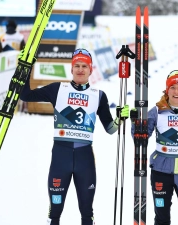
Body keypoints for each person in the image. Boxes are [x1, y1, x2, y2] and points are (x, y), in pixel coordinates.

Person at [19, 48, 129, 225]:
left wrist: (120, 119)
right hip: (60, 158)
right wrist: (25, 68)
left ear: (90, 70)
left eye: (84, 66)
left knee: (86, 212)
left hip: (84, 160)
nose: (80, 69)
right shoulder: (57, 89)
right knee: (55, 211)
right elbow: (26, 95)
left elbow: (110, 128)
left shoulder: (99, 96)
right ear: (71, 69)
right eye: (76, 65)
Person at [130, 70, 178, 225]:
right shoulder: (156, 111)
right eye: (173, 87)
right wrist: (136, 124)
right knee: (162, 218)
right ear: (167, 90)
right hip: (160, 172)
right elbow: (141, 140)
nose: (176, 92)